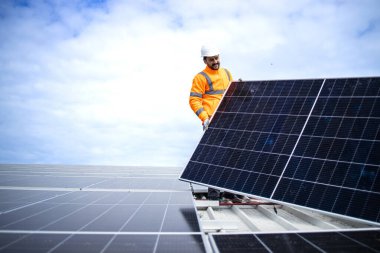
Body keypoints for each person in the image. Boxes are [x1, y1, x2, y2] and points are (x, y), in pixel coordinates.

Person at [189, 45, 232, 130]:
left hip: (230, 118)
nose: (215, 61)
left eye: (216, 58)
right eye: (211, 60)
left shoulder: (226, 72)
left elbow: (233, 93)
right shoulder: (200, 77)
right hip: (213, 121)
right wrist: (204, 118)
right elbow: (194, 100)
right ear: (205, 61)